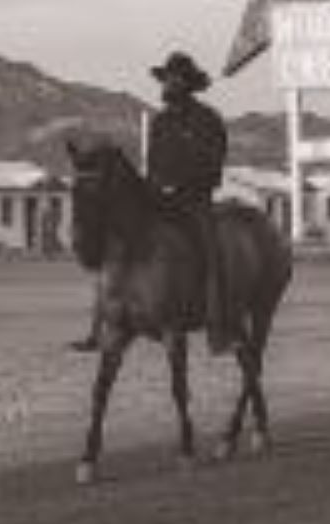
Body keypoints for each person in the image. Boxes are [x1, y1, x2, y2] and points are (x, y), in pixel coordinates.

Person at [68, 48, 235, 352]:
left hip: (194, 201)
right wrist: (153, 185)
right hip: (158, 198)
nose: (167, 86)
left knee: (212, 254)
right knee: (115, 242)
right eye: (166, 80)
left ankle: (219, 326)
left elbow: (214, 164)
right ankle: (99, 327)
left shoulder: (208, 120)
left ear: (187, 84)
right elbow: (154, 163)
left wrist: (182, 185)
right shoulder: (160, 123)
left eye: (173, 80)